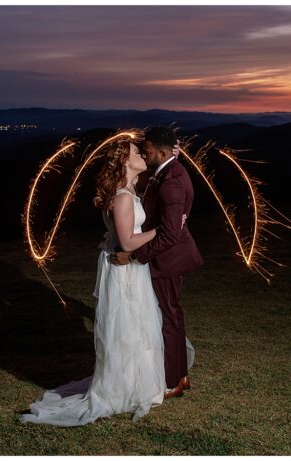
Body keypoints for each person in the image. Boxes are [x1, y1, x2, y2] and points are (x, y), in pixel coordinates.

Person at [20, 141, 165, 426]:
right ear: (124, 162)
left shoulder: (130, 190)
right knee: (126, 324)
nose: (143, 155)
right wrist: (161, 231)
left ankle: (137, 383)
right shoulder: (123, 197)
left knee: (136, 323)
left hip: (130, 267)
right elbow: (127, 241)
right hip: (124, 268)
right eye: (137, 152)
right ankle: (121, 387)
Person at [111, 126, 203, 398]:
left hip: (167, 261)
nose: (144, 154)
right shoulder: (168, 171)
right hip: (166, 259)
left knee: (168, 318)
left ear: (162, 152)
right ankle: (180, 375)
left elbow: (171, 234)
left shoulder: (172, 180)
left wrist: (134, 256)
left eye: (147, 151)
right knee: (171, 315)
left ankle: (172, 382)